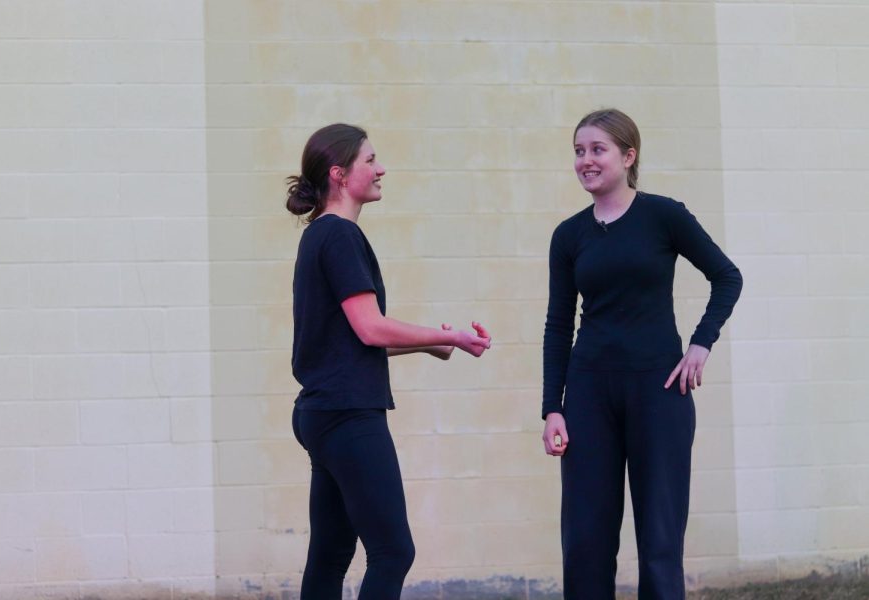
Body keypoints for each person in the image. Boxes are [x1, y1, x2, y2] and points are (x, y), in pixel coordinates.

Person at [541, 109, 743, 600]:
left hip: (659, 391)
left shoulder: (664, 216)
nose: (585, 160)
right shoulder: (569, 235)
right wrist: (552, 407)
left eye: (597, 150)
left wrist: (701, 342)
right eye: (578, 151)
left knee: (659, 539)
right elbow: (557, 325)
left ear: (628, 156)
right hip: (589, 394)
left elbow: (727, 276)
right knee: (586, 541)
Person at [286, 123, 492, 599]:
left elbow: (349, 340)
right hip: (347, 414)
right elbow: (370, 327)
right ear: (340, 174)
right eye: (370, 161)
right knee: (393, 551)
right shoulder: (339, 236)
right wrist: (455, 337)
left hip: (323, 411)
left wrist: (431, 341)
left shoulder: (319, 236)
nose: (381, 169)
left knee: (332, 555)